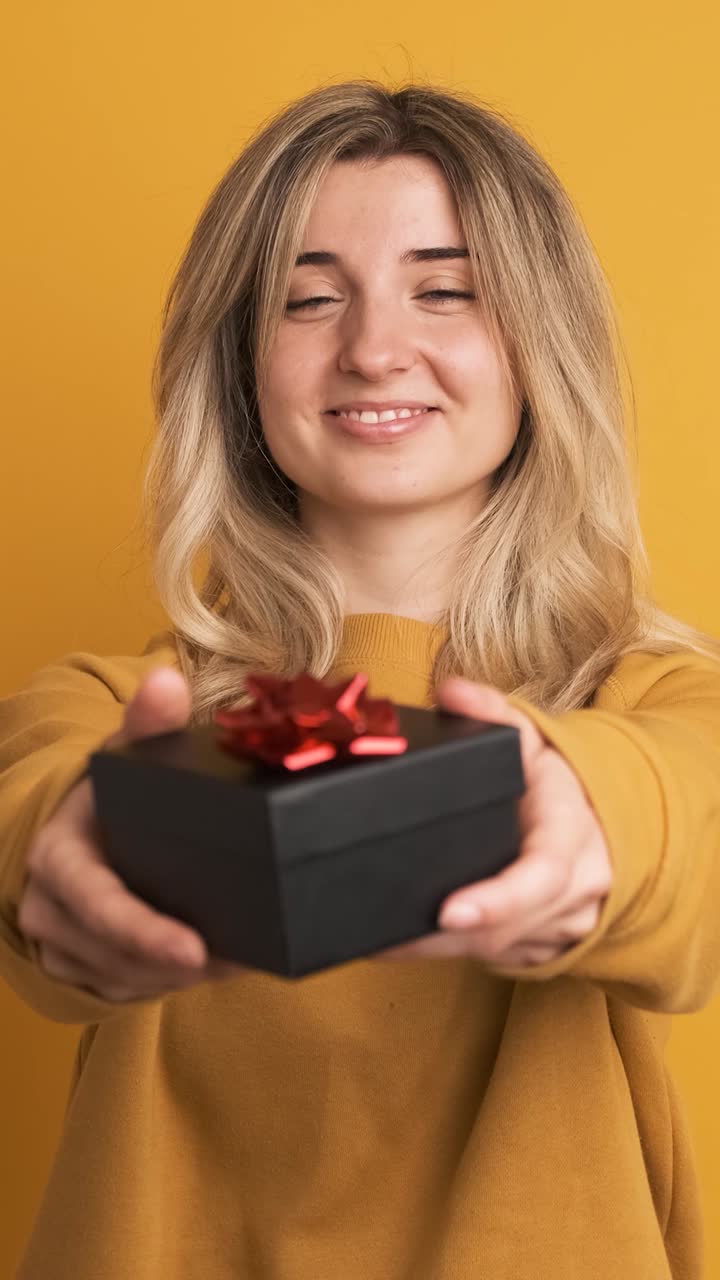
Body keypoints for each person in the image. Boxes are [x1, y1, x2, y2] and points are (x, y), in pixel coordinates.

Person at [1, 79, 719, 1280]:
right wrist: (67, 852)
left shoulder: (653, 705)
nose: (375, 348)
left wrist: (584, 820)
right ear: (240, 365)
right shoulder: (109, 708)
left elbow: (692, 820)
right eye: (307, 298)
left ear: (543, 344)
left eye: (447, 290)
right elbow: (32, 800)